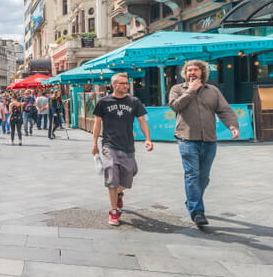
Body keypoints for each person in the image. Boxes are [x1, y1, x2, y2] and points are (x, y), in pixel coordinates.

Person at [168, 60, 240, 227]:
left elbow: (224, 110)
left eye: (196, 70)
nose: (192, 72)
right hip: (187, 139)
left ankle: (192, 200)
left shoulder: (213, 91)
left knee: (204, 177)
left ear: (202, 73)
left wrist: (232, 126)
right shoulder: (177, 89)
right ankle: (197, 212)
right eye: (189, 70)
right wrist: (190, 91)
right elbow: (175, 106)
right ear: (185, 73)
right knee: (192, 174)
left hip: (209, 140)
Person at [91, 73, 153, 227]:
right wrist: (94, 144)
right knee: (111, 173)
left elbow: (142, 121)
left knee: (130, 173)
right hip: (109, 144)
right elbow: (97, 124)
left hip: (127, 145)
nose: (126, 86)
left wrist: (148, 139)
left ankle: (119, 192)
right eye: (122, 83)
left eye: (127, 83)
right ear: (114, 85)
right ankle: (113, 211)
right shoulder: (103, 102)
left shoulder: (134, 101)